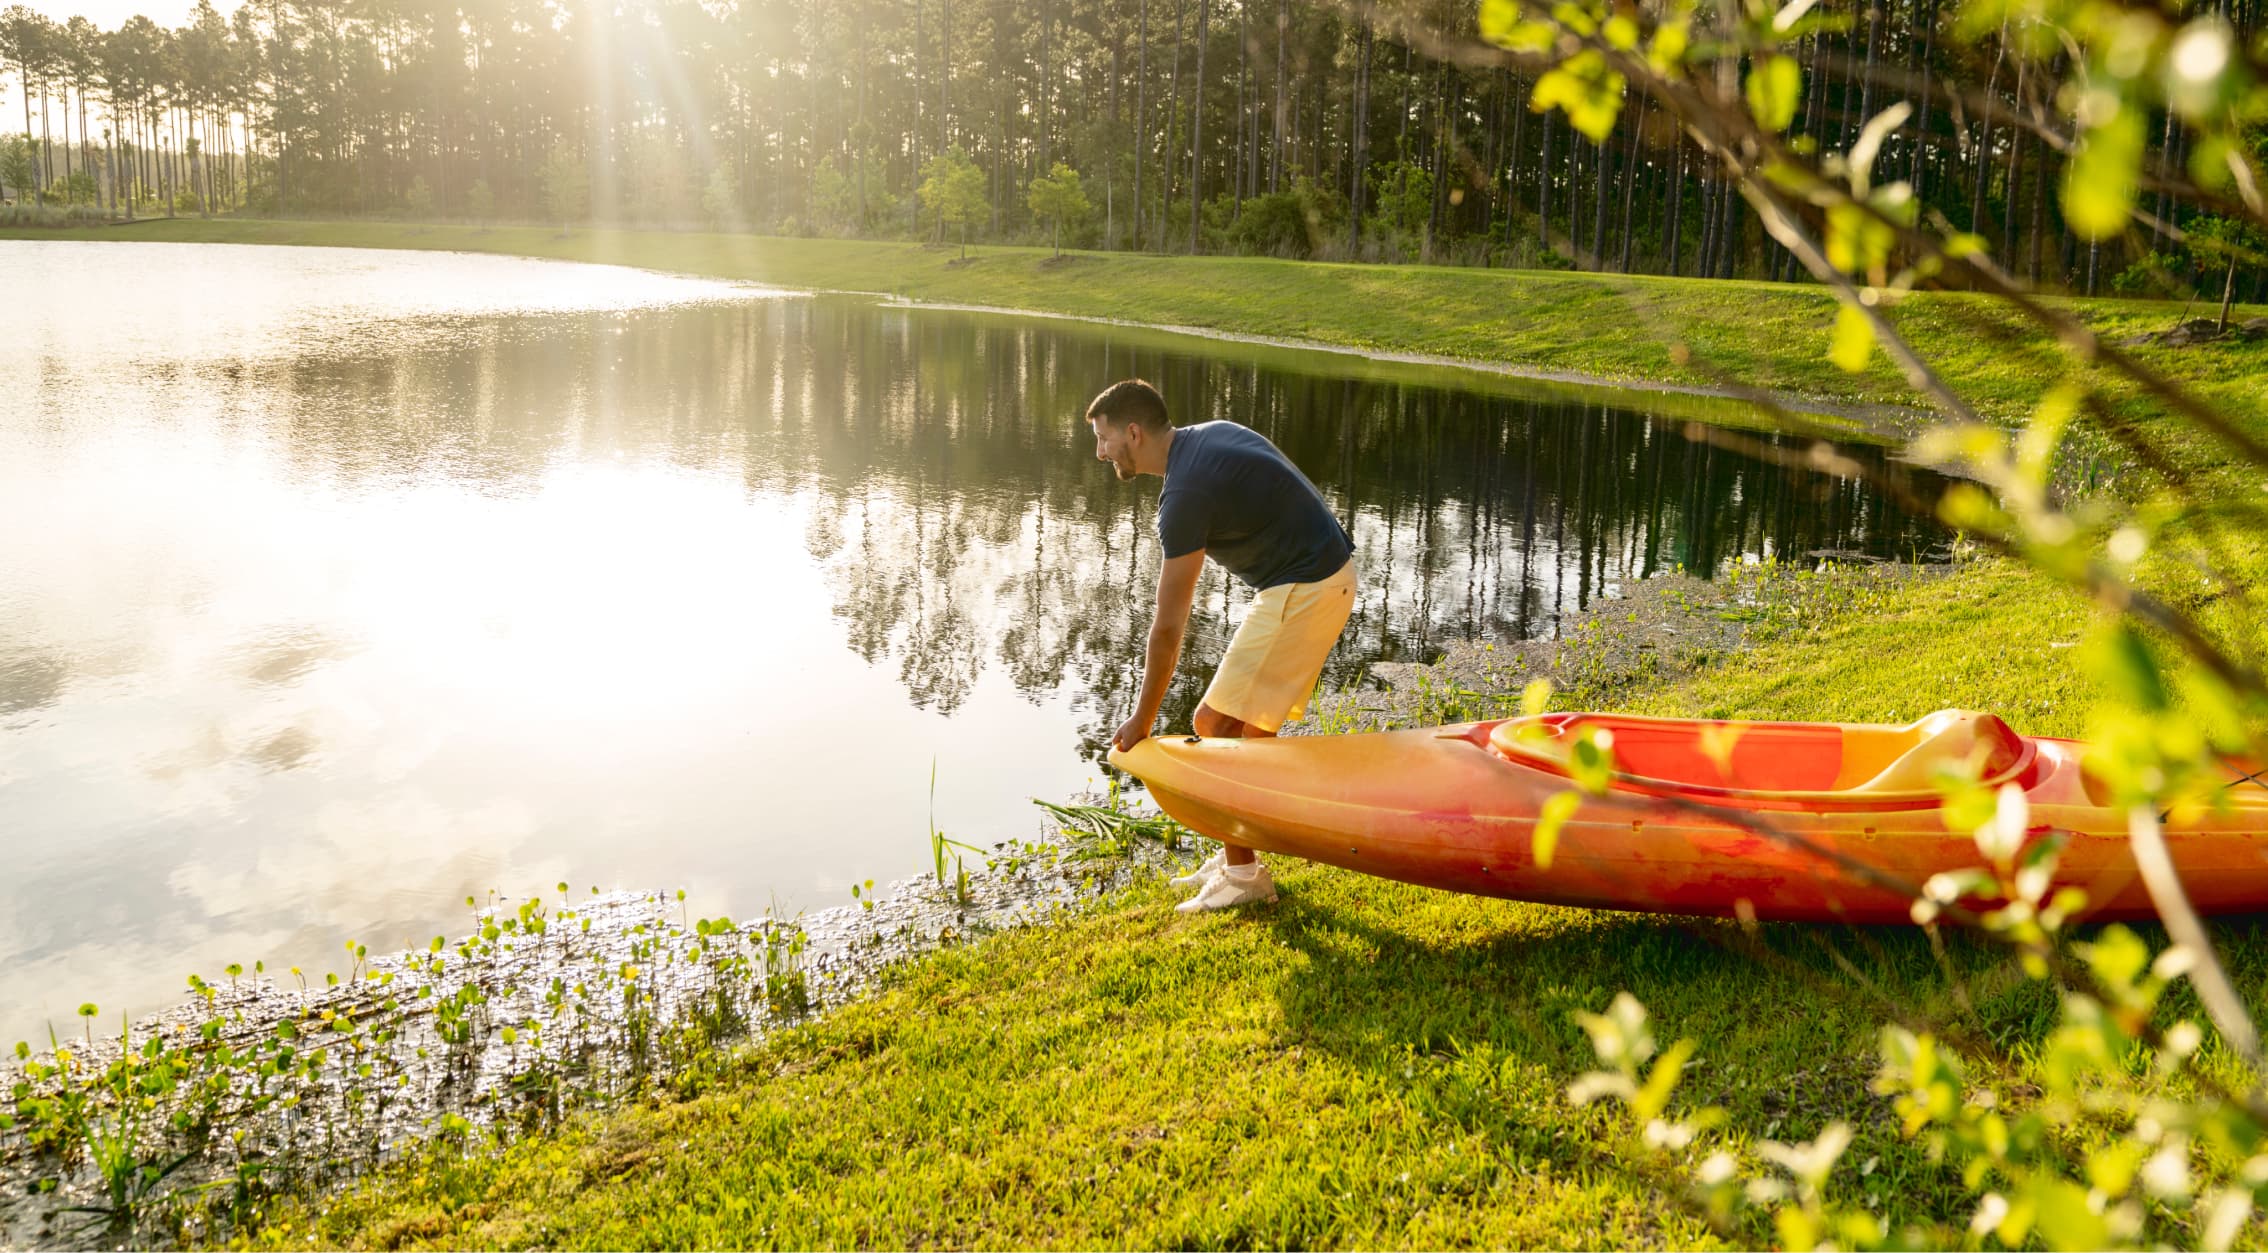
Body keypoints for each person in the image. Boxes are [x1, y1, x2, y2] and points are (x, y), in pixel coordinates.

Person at [1086, 378, 1356, 912]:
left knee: (1214, 727)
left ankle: (1245, 877)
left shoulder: (1184, 494)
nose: (1099, 451)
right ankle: (1241, 855)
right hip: (1322, 576)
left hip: (1306, 585)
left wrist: (1143, 719)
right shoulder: (1208, 436)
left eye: (1103, 438)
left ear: (1133, 433)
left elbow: (1168, 626)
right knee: (1249, 738)